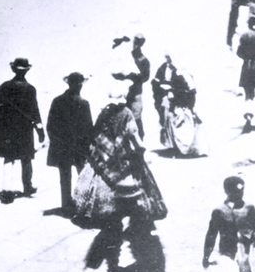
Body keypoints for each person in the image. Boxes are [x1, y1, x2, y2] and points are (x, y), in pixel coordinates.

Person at [72, 95, 168, 228]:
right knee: (132, 184)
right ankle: (128, 210)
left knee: (101, 181)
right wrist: (139, 151)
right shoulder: (126, 113)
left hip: (104, 153)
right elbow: (134, 134)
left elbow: (96, 132)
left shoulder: (105, 111)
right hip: (123, 153)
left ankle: (103, 211)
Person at [0, 57, 43, 201]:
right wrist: (40, 130)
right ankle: (28, 186)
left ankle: (7, 190)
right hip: (25, 129)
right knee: (26, 158)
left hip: (7, 128)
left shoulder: (5, 86)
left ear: (13, 69)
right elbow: (35, 111)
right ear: (27, 71)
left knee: (9, 158)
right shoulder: (30, 89)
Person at [46, 72, 94, 213]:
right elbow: (89, 128)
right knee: (83, 176)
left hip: (62, 147)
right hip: (79, 147)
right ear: (78, 85)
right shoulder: (83, 104)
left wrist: (57, 142)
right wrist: (88, 145)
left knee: (65, 177)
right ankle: (83, 205)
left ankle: (66, 205)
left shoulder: (57, 101)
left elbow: (50, 125)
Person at [152, 55, 201, 155]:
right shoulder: (164, 68)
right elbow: (155, 83)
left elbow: (191, 91)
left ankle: (184, 149)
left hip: (182, 103)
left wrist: (188, 105)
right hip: (172, 102)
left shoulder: (182, 73)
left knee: (182, 126)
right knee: (170, 123)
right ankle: (173, 147)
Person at [113, 35, 151, 140]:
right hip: (122, 92)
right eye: (135, 41)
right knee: (120, 118)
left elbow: (145, 77)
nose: (136, 44)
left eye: (138, 42)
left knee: (135, 118)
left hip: (135, 93)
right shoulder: (125, 55)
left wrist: (133, 76)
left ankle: (139, 146)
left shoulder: (143, 60)